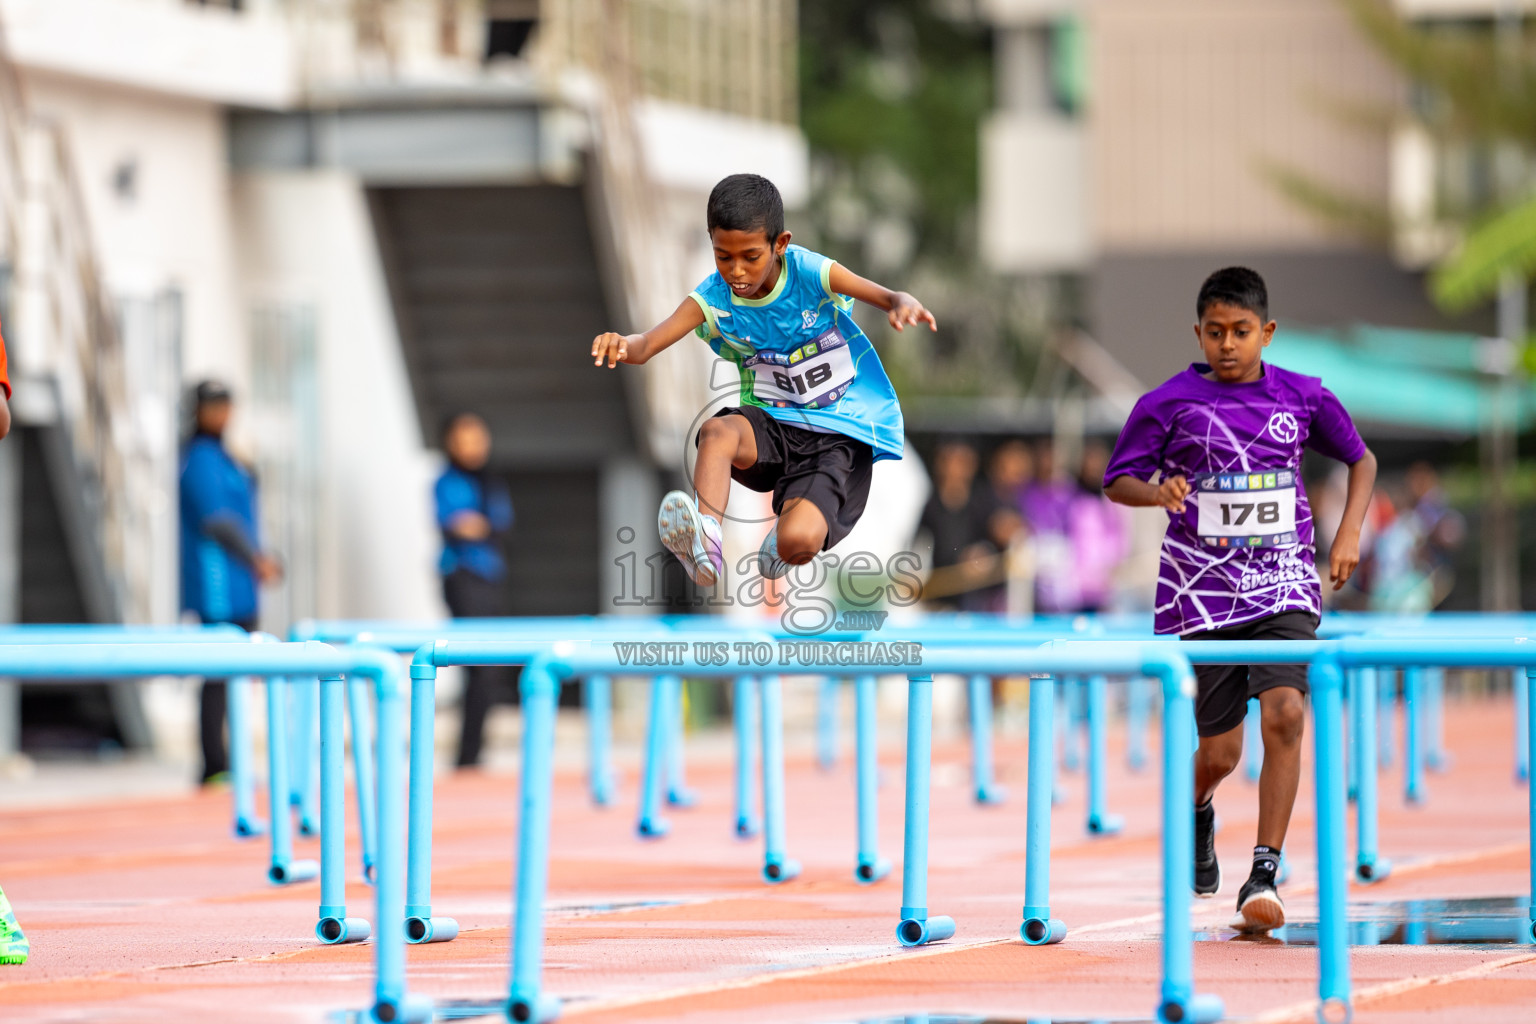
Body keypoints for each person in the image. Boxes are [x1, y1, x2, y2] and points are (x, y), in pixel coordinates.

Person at [1102, 267, 1376, 932]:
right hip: (1202, 595)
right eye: (1216, 332)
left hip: (1283, 582)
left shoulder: (1303, 396)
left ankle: (1265, 870)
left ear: (1267, 333)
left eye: (1242, 333)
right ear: (1198, 333)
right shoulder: (1167, 404)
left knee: (1285, 714)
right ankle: (1198, 808)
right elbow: (1118, 481)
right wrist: (1157, 491)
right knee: (1221, 754)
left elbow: (1360, 460)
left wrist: (1346, 536)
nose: (1228, 345)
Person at [590, 173, 935, 586]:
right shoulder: (714, 296)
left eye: (750, 257)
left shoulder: (809, 272)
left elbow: (881, 295)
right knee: (717, 432)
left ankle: (783, 546)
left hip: (837, 435)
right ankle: (706, 540)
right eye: (723, 256)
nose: (736, 271)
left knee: (799, 541)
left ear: (780, 244)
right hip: (771, 425)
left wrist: (901, 301)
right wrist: (622, 345)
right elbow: (647, 344)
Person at [179, 380, 282, 785]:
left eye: (225, 406)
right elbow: (217, 520)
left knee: (239, 675)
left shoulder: (227, 457)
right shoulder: (201, 459)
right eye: (213, 407)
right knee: (218, 676)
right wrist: (256, 558)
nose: (221, 414)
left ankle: (232, 763)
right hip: (216, 583)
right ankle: (213, 765)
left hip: (240, 583)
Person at [434, 412, 515, 768]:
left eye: (478, 437)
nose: (473, 445)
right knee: (475, 665)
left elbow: (500, 525)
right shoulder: (445, 482)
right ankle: (467, 755)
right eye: (465, 437)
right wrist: (476, 527)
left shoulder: (491, 483)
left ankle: (473, 752)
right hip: (462, 577)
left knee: (489, 667)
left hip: (489, 577)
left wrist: (479, 527)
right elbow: (455, 525)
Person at [916, 440, 999, 609]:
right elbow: (919, 545)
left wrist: (979, 557)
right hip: (935, 596)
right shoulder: (929, 505)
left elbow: (989, 545)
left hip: (972, 597)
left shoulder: (980, 503)